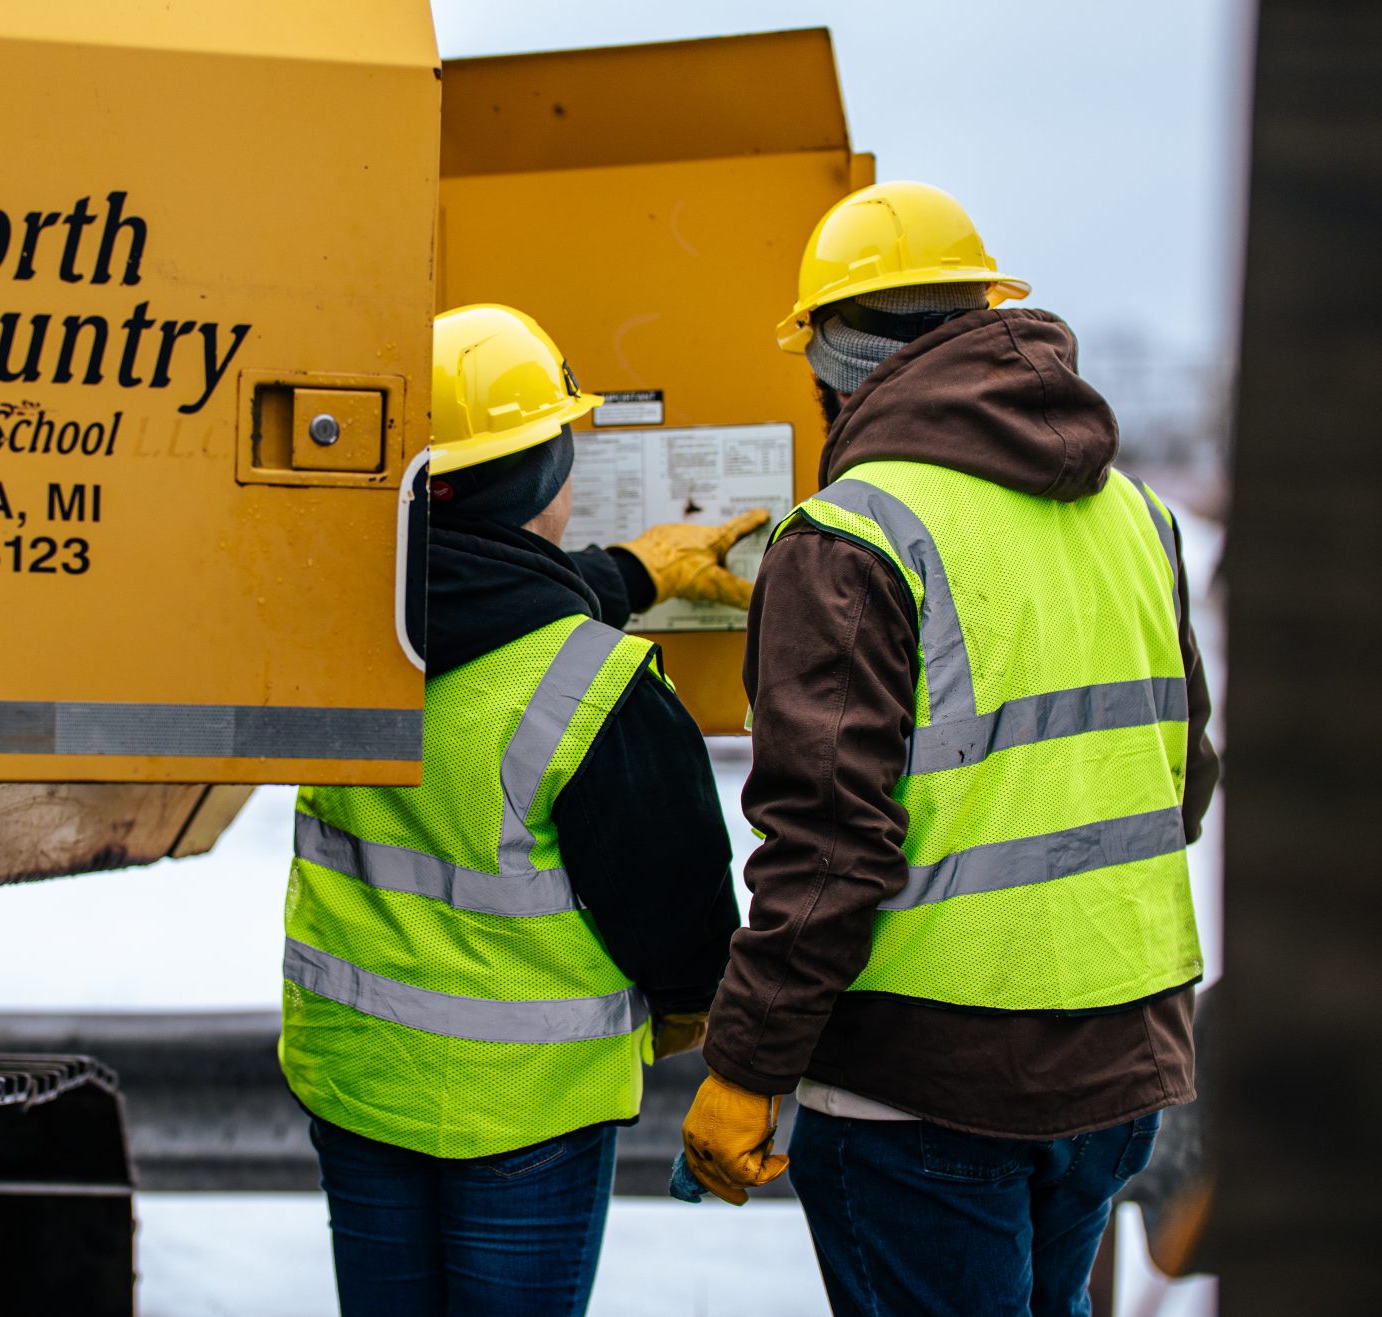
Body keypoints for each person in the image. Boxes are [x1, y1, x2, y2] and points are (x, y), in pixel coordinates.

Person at [676, 181, 1220, 1317]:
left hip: (923, 1086)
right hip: (1120, 1062)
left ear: (829, 359)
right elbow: (1181, 777)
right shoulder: (1139, 514)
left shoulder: (850, 537)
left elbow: (827, 851)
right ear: (983, 317)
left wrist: (744, 1068)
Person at [280, 303, 758, 1317]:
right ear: (546, 475)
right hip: (526, 1117)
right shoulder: (599, 689)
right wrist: (687, 1021)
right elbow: (681, 926)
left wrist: (629, 572)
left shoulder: (333, 643)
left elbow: (468, 592)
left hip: (359, 1087)